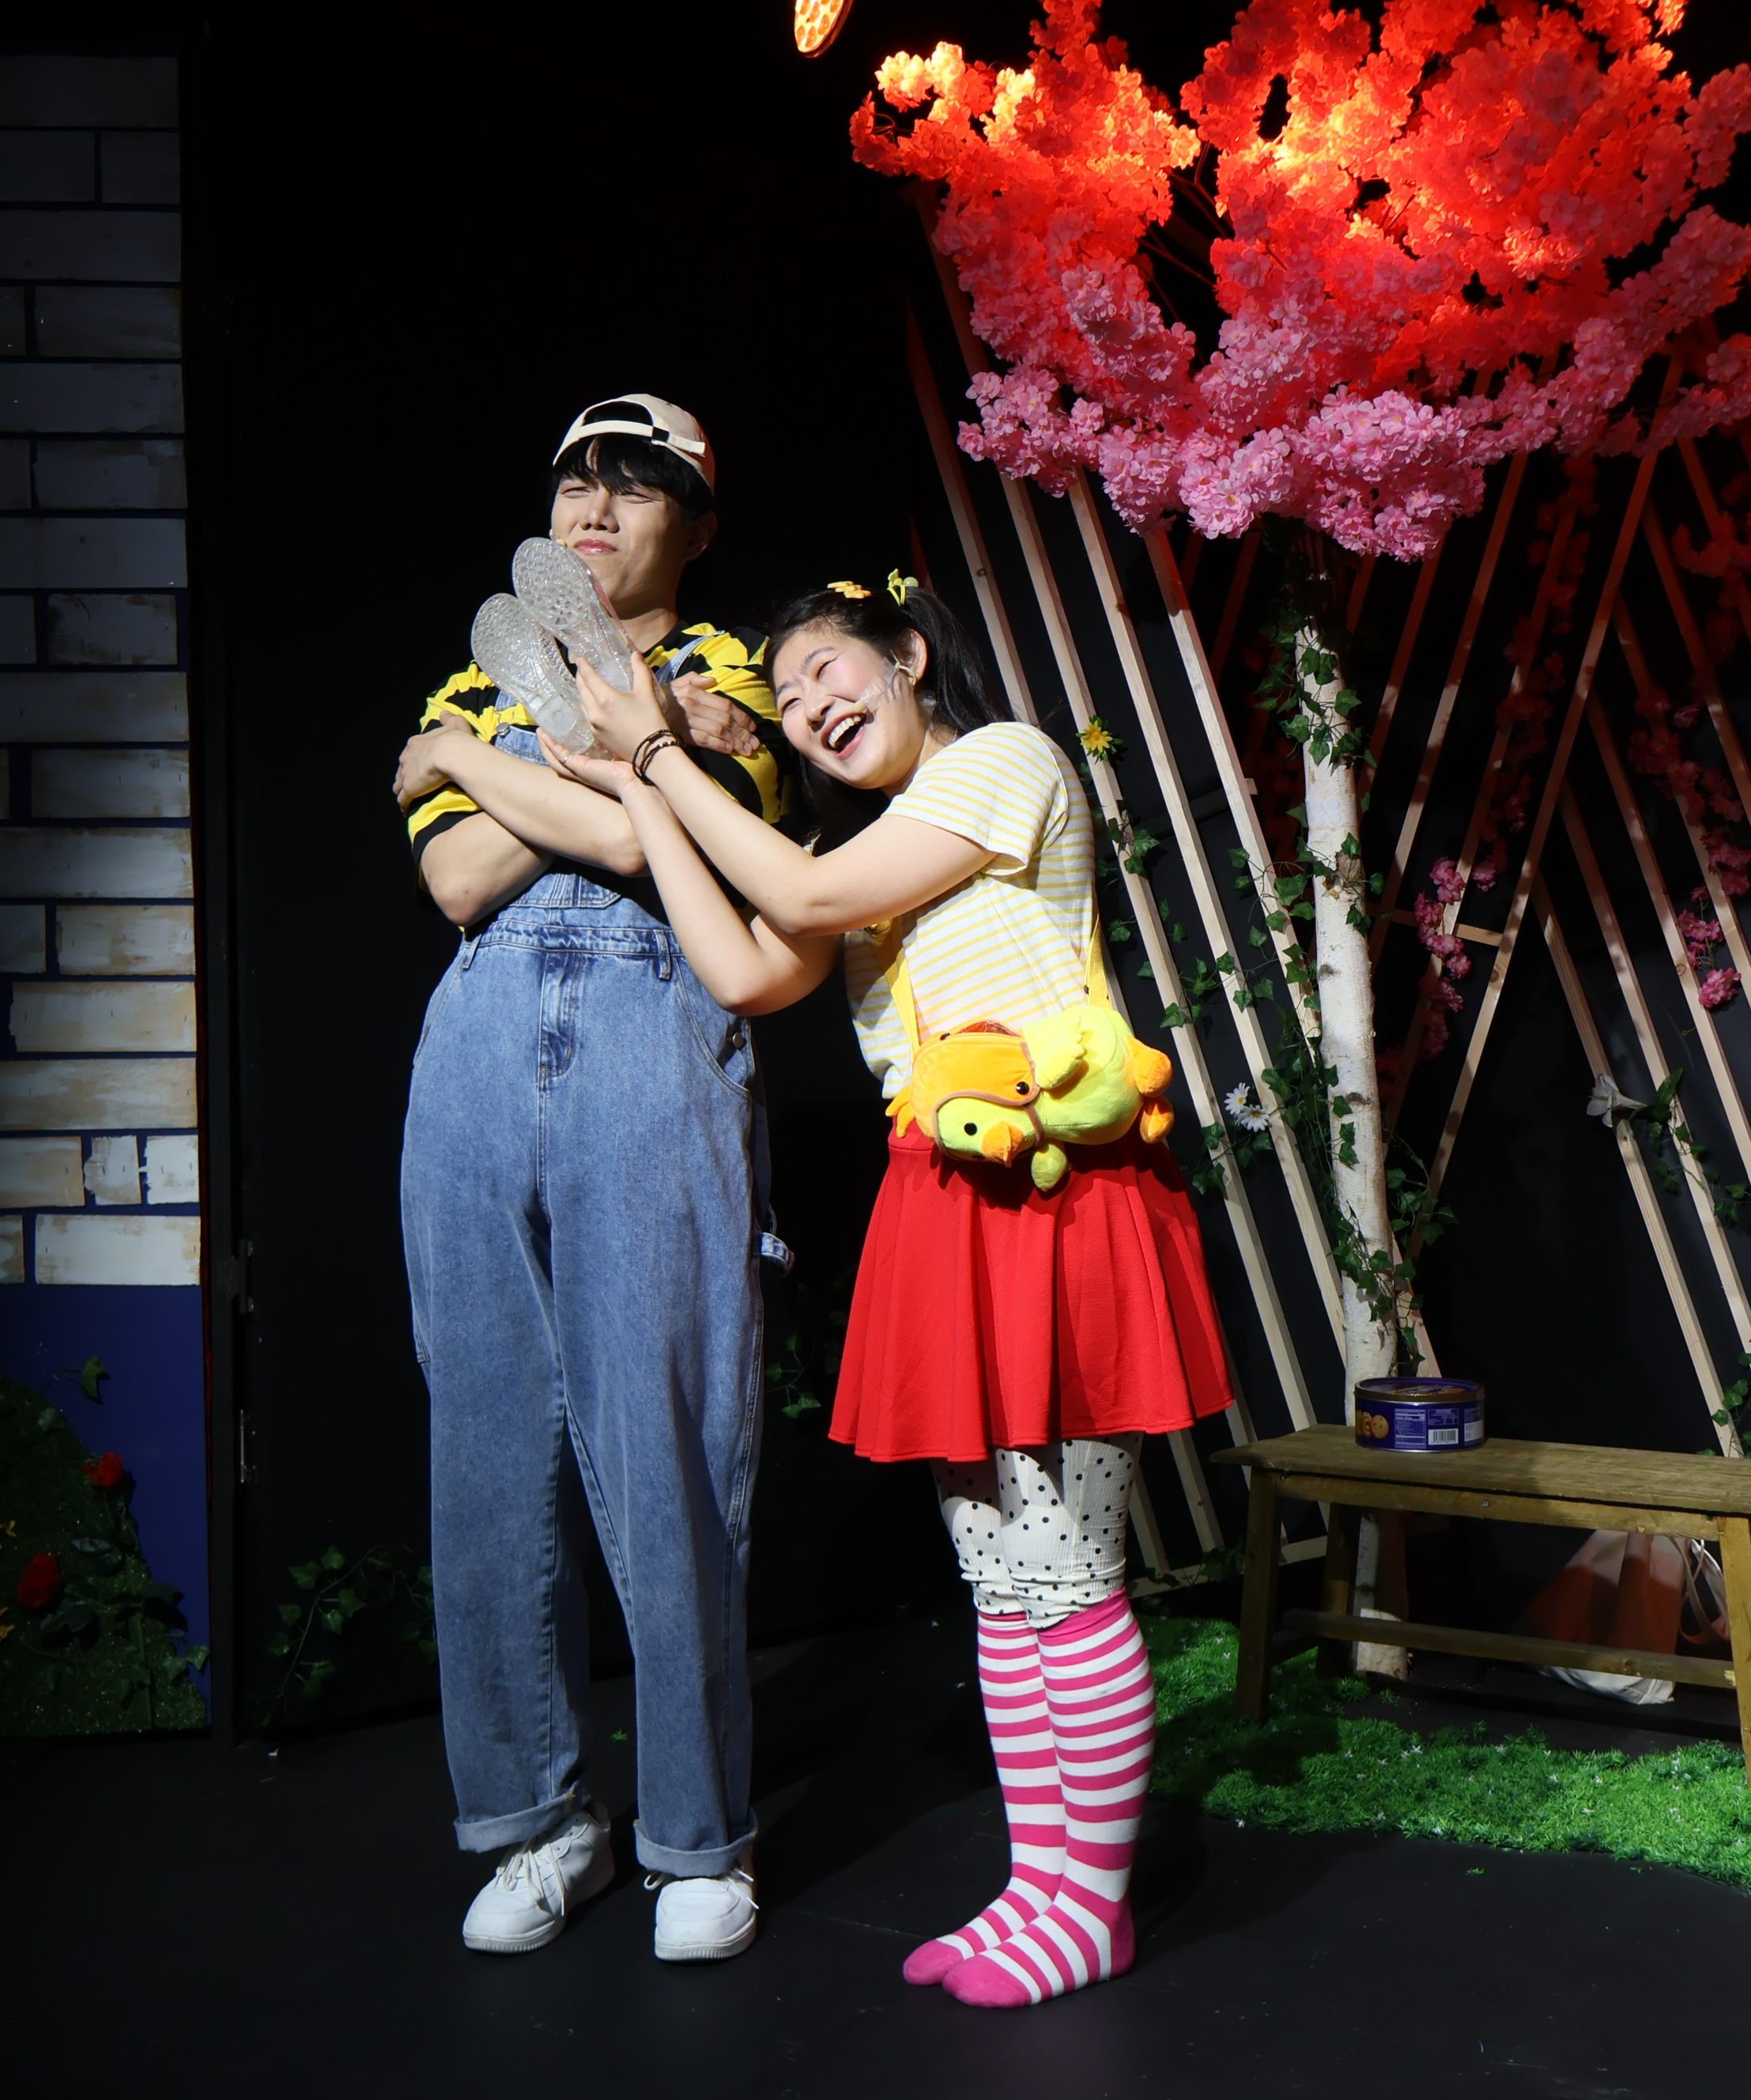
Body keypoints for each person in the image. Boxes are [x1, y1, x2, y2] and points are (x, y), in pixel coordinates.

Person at [542, 573, 1235, 2009]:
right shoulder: (867, 854)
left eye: (830, 673)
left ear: (910, 655)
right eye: (789, 701)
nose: (811, 710)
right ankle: (1039, 1887)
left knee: (1066, 1580)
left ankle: (1094, 1907)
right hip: (945, 1205)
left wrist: (657, 751)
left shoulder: (1004, 760)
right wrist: (644, 789)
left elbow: (795, 896)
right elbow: (745, 969)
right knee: (1002, 1588)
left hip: (1053, 1197)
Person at [387, 395, 791, 1966]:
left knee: (669, 1437)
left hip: (653, 1032)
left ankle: (700, 1830)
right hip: (476, 1049)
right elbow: (458, 877)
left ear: (698, 526)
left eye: (638, 487)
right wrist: (616, 772)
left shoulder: (733, 673)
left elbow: (652, 853)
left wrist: (472, 760)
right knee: (485, 1445)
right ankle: (542, 1820)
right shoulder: (467, 670)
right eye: (577, 483)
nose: (597, 509)